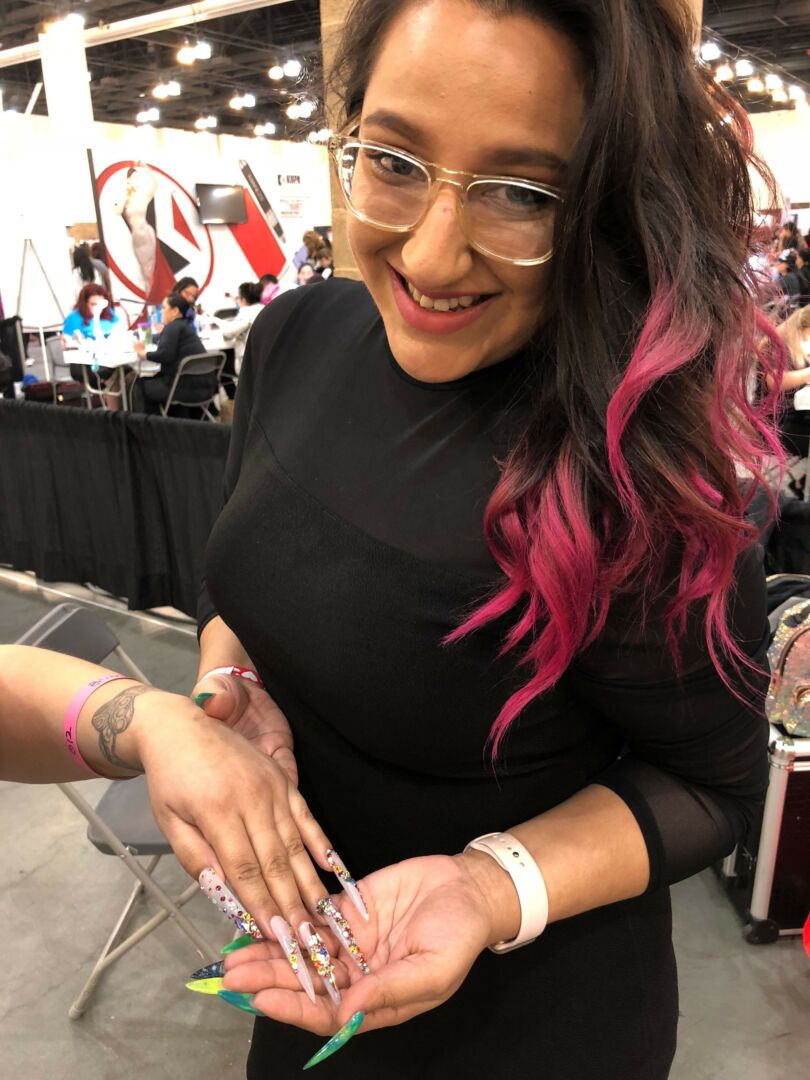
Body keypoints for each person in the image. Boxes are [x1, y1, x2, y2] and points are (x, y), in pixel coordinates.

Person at [15, 1, 788, 1078]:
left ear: (607, 202)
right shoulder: (297, 337)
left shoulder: (640, 472)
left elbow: (713, 786)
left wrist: (488, 884)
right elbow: (246, 578)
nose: (430, 251)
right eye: (393, 160)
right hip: (313, 982)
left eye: (522, 192)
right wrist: (229, 686)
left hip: (536, 1027)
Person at [131, 293, 215, 415]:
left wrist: (142, 353)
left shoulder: (172, 327)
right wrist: (141, 336)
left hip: (185, 389)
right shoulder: (184, 326)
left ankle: (150, 424)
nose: (161, 311)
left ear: (175, 311)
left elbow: (164, 355)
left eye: (164, 308)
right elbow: (161, 338)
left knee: (139, 384)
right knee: (153, 381)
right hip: (205, 388)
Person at [62, 284, 121, 387]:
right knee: (109, 373)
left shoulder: (109, 314)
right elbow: (65, 343)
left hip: (109, 357)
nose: (98, 307)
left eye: (101, 304)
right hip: (85, 362)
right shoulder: (74, 317)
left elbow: (119, 332)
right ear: (84, 303)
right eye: (93, 304)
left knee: (126, 371)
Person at [220, 282, 264, 369]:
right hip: (262, 359)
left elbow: (227, 333)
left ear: (243, 300)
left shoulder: (246, 313)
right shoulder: (265, 308)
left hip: (247, 363)